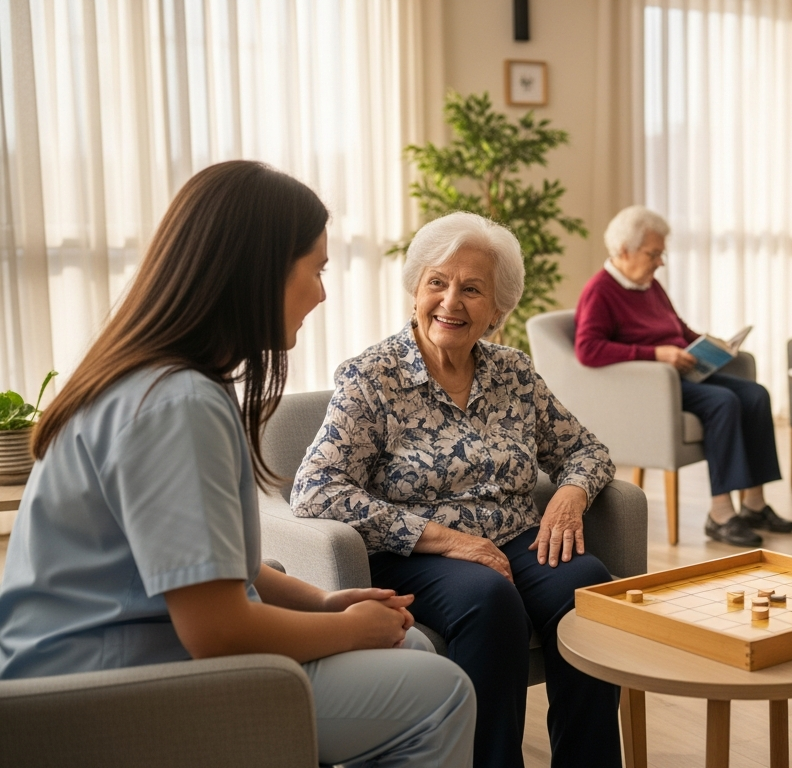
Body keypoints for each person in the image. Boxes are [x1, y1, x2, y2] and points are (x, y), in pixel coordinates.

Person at [0, 161, 475, 767]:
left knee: (415, 654)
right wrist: (351, 630)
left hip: (90, 671)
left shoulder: (161, 380)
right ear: (260, 272)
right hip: (101, 696)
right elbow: (217, 630)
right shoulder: (178, 403)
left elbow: (223, 568)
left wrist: (324, 603)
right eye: (317, 269)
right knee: (442, 694)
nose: (323, 293)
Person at [291, 212, 620, 768]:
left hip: (513, 536)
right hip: (415, 550)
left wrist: (569, 494)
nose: (451, 302)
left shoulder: (515, 373)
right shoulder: (372, 377)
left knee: (587, 589)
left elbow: (587, 451)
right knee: (488, 600)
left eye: (472, 289)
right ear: (415, 290)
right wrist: (443, 539)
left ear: (498, 310)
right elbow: (316, 489)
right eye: (437, 283)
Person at [574, 205, 792, 547]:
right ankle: (720, 514)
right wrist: (656, 354)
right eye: (654, 253)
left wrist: (709, 344)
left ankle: (754, 504)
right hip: (654, 386)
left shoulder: (648, 285)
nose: (660, 261)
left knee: (756, 394)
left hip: (683, 375)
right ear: (624, 250)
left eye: (661, 253)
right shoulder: (600, 291)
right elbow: (588, 349)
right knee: (724, 402)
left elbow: (676, 328)